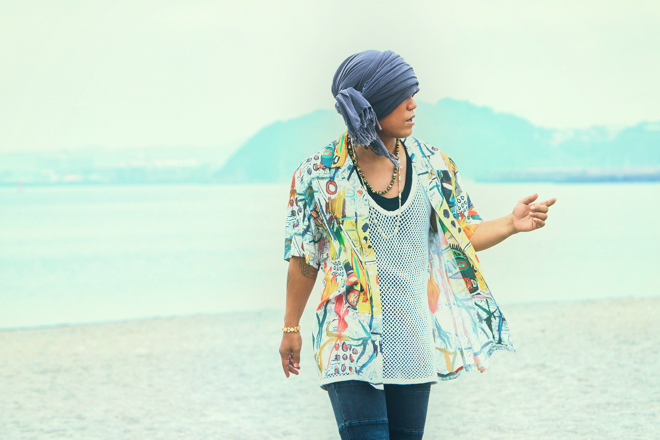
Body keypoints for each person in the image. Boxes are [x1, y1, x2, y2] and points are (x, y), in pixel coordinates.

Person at [279, 50, 557, 440]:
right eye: (401, 96)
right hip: (348, 343)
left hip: (413, 342)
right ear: (371, 104)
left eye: (413, 94)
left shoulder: (434, 164)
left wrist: (511, 223)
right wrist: (291, 326)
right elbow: (304, 258)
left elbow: (463, 233)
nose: (413, 105)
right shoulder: (318, 173)